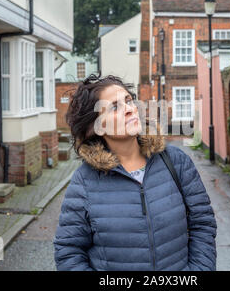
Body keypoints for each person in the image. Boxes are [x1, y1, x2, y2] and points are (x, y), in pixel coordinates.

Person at [53, 74, 217, 271]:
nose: (130, 110)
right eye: (115, 107)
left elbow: (203, 225)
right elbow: (68, 251)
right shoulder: (85, 181)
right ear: (96, 127)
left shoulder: (176, 162)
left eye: (129, 101)